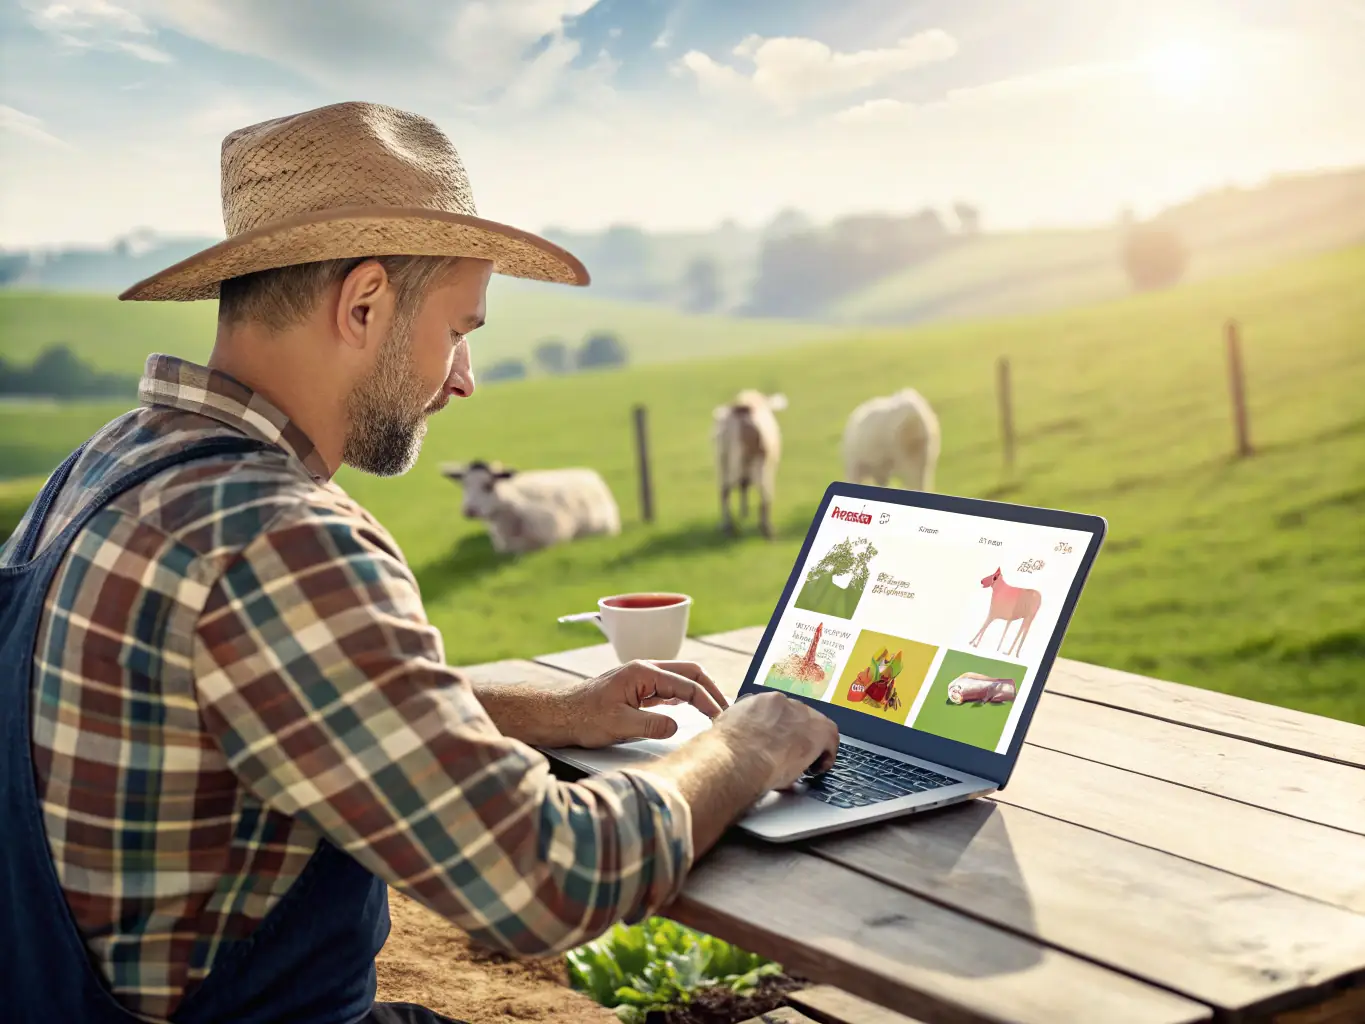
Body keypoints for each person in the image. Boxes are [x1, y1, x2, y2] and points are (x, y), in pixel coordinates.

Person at [0, 101, 839, 1024]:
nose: (465, 377)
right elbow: (549, 878)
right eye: (457, 329)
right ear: (363, 304)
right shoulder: (281, 536)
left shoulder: (105, 466)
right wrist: (746, 745)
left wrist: (555, 711)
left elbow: (264, 703)